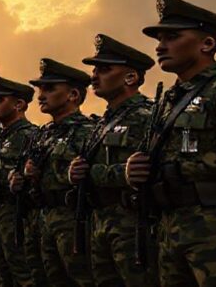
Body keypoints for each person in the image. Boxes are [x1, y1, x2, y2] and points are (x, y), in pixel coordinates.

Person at [125, 0, 216, 286]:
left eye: (172, 37)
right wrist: (136, 168)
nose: (160, 46)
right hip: (170, 227)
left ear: (207, 44)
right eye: (160, 38)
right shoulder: (170, 98)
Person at [68, 34, 158, 286]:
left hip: (131, 224)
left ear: (130, 77)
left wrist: (95, 174)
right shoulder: (103, 122)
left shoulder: (145, 116)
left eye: (104, 69)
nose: (94, 76)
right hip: (100, 222)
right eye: (94, 69)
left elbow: (148, 169)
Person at [11, 58, 95, 287]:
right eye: (40, 89)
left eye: (49, 89)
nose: (40, 96)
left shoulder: (87, 131)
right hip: (43, 216)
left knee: (79, 279)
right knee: (47, 278)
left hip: (71, 218)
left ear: (73, 95)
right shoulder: (44, 134)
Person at [0, 76, 37, 287]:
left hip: (15, 214)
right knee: (2, 269)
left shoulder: (29, 135)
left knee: (21, 272)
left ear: (19, 104)